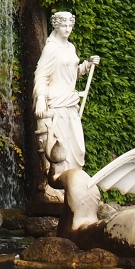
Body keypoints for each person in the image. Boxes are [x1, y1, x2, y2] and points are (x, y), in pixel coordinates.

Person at [34, 11, 100, 229]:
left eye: (70, 26)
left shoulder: (70, 48)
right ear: (56, 26)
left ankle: (73, 186)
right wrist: (41, 98)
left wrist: (86, 65)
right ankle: (56, 187)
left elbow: (71, 73)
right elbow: (41, 75)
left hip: (70, 101)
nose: (68, 29)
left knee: (77, 147)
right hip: (56, 102)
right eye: (64, 26)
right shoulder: (51, 48)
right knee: (59, 147)